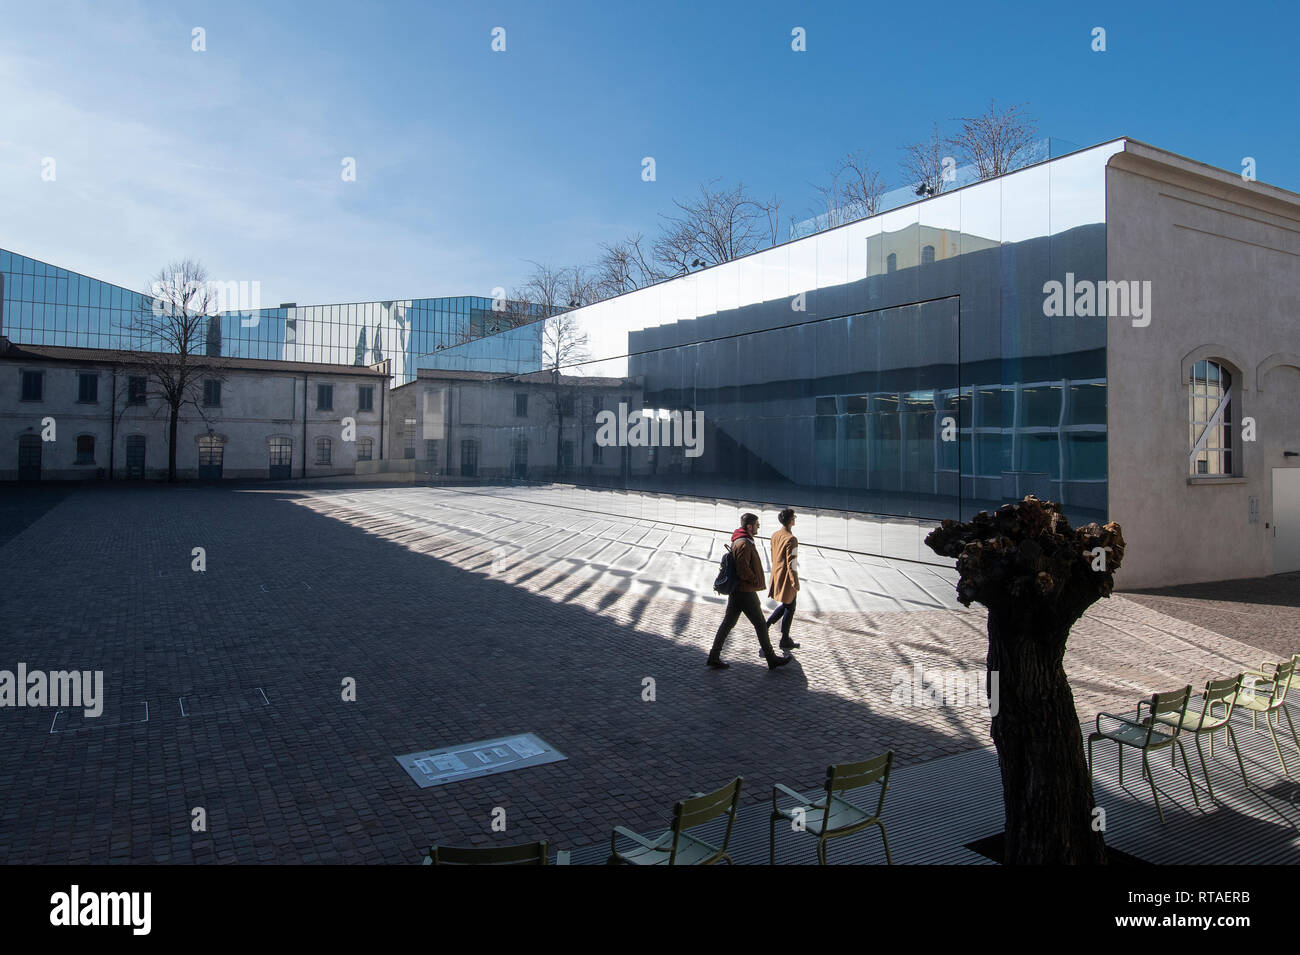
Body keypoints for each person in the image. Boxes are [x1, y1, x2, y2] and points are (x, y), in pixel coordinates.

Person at [707, 513, 791, 671]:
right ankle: (771, 658)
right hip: (745, 591)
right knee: (760, 623)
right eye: (757, 525)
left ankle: (714, 656)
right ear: (749, 526)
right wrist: (753, 580)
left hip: (738, 591)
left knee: (728, 623)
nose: (758, 527)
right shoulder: (744, 543)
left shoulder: (739, 540)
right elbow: (742, 568)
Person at [766, 508, 800, 651]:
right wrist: (794, 581)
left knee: (787, 605)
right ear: (790, 521)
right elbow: (791, 562)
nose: (795, 519)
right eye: (794, 517)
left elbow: (773, 555)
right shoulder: (791, 539)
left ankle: (767, 625)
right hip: (786, 578)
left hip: (776, 575)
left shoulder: (775, 535)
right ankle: (784, 638)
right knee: (790, 607)